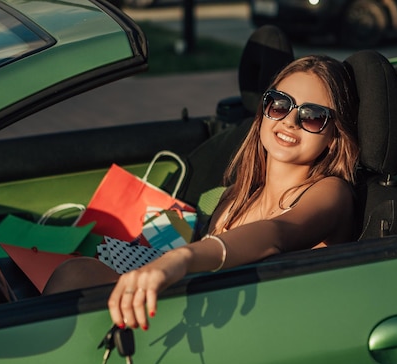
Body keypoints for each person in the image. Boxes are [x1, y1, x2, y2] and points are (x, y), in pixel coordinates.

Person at [44, 54, 359, 331]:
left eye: (312, 116)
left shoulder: (331, 192)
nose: (290, 120)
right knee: (74, 273)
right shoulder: (238, 194)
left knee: (74, 279)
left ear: (334, 136)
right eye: (279, 104)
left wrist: (181, 259)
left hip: (259, 328)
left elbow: (277, 233)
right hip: (201, 316)